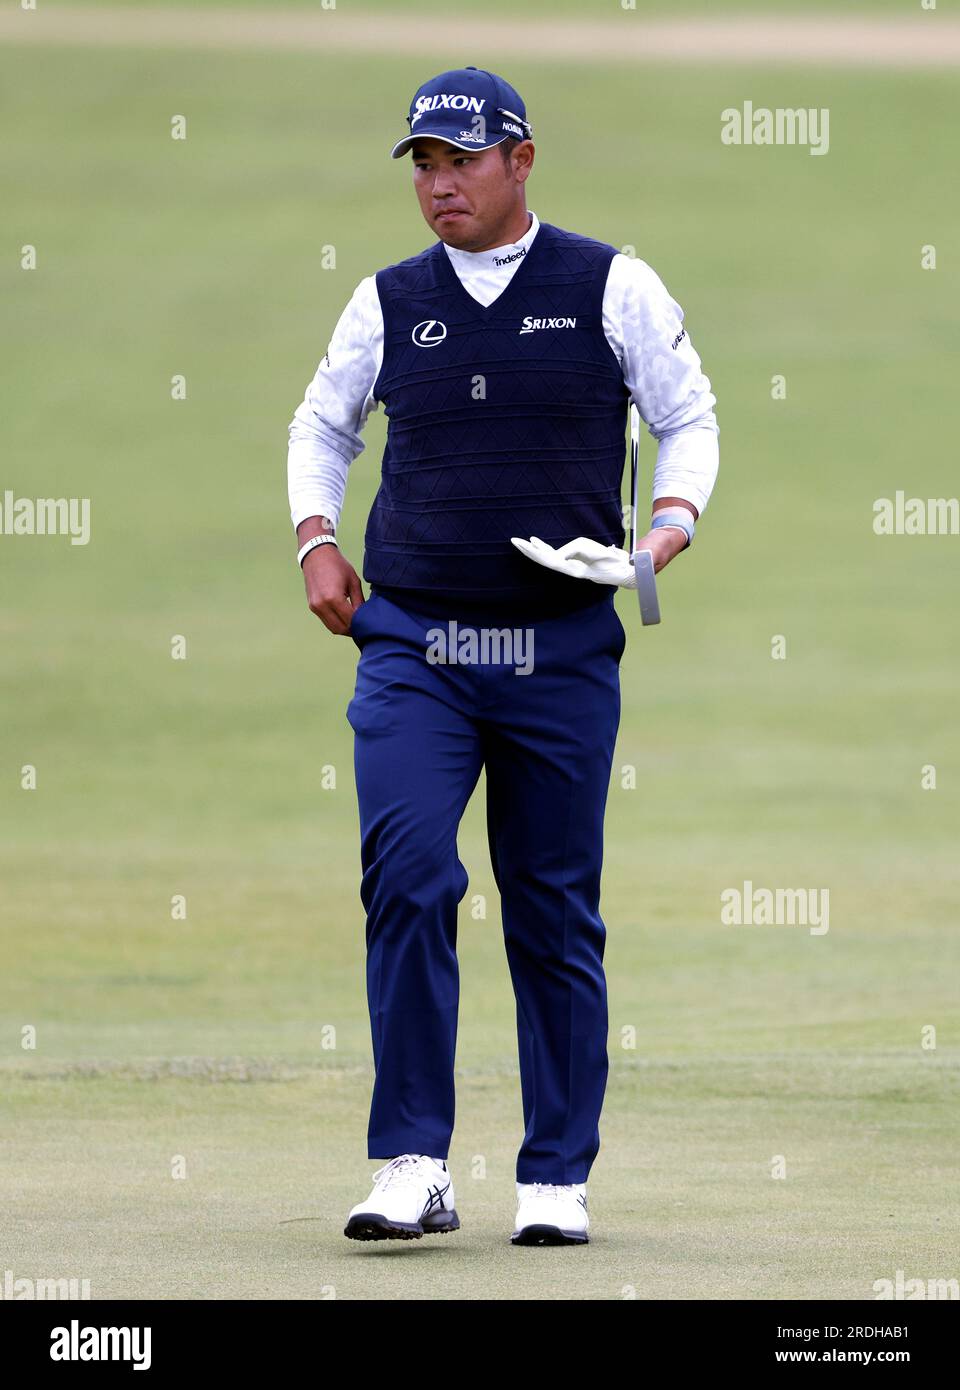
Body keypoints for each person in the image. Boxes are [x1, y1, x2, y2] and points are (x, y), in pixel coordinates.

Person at [286, 67, 719, 1246]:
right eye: (423, 164)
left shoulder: (609, 284)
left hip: (561, 649)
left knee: (552, 912)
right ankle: (414, 1162)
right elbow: (323, 425)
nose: (439, 186)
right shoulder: (388, 302)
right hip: (416, 644)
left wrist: (666, 527)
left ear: (520, 160)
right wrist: (318, 539)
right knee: (412, 877)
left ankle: (554, 1178)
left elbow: (689, 413)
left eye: (460, 161)